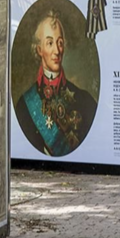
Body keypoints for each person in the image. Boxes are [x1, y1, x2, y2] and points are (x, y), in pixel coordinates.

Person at [14, 10, 97, 157]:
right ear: (39, 50)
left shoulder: (85, 101)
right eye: (49, 43)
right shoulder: (24, 105)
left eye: (59, 43)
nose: (57, 51)